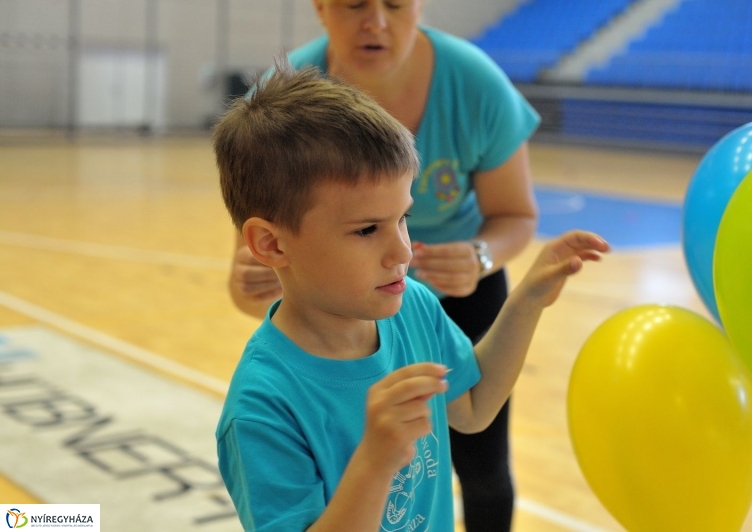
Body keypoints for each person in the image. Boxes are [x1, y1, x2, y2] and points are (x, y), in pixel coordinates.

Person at [214, 57, 608, 532]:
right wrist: (375, 464)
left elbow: (475, 406)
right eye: (366, 230)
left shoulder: (413, 306)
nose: (401, 250)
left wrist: (526, 300)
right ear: (272, 244)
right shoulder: (263, 406)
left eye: (402, 217)